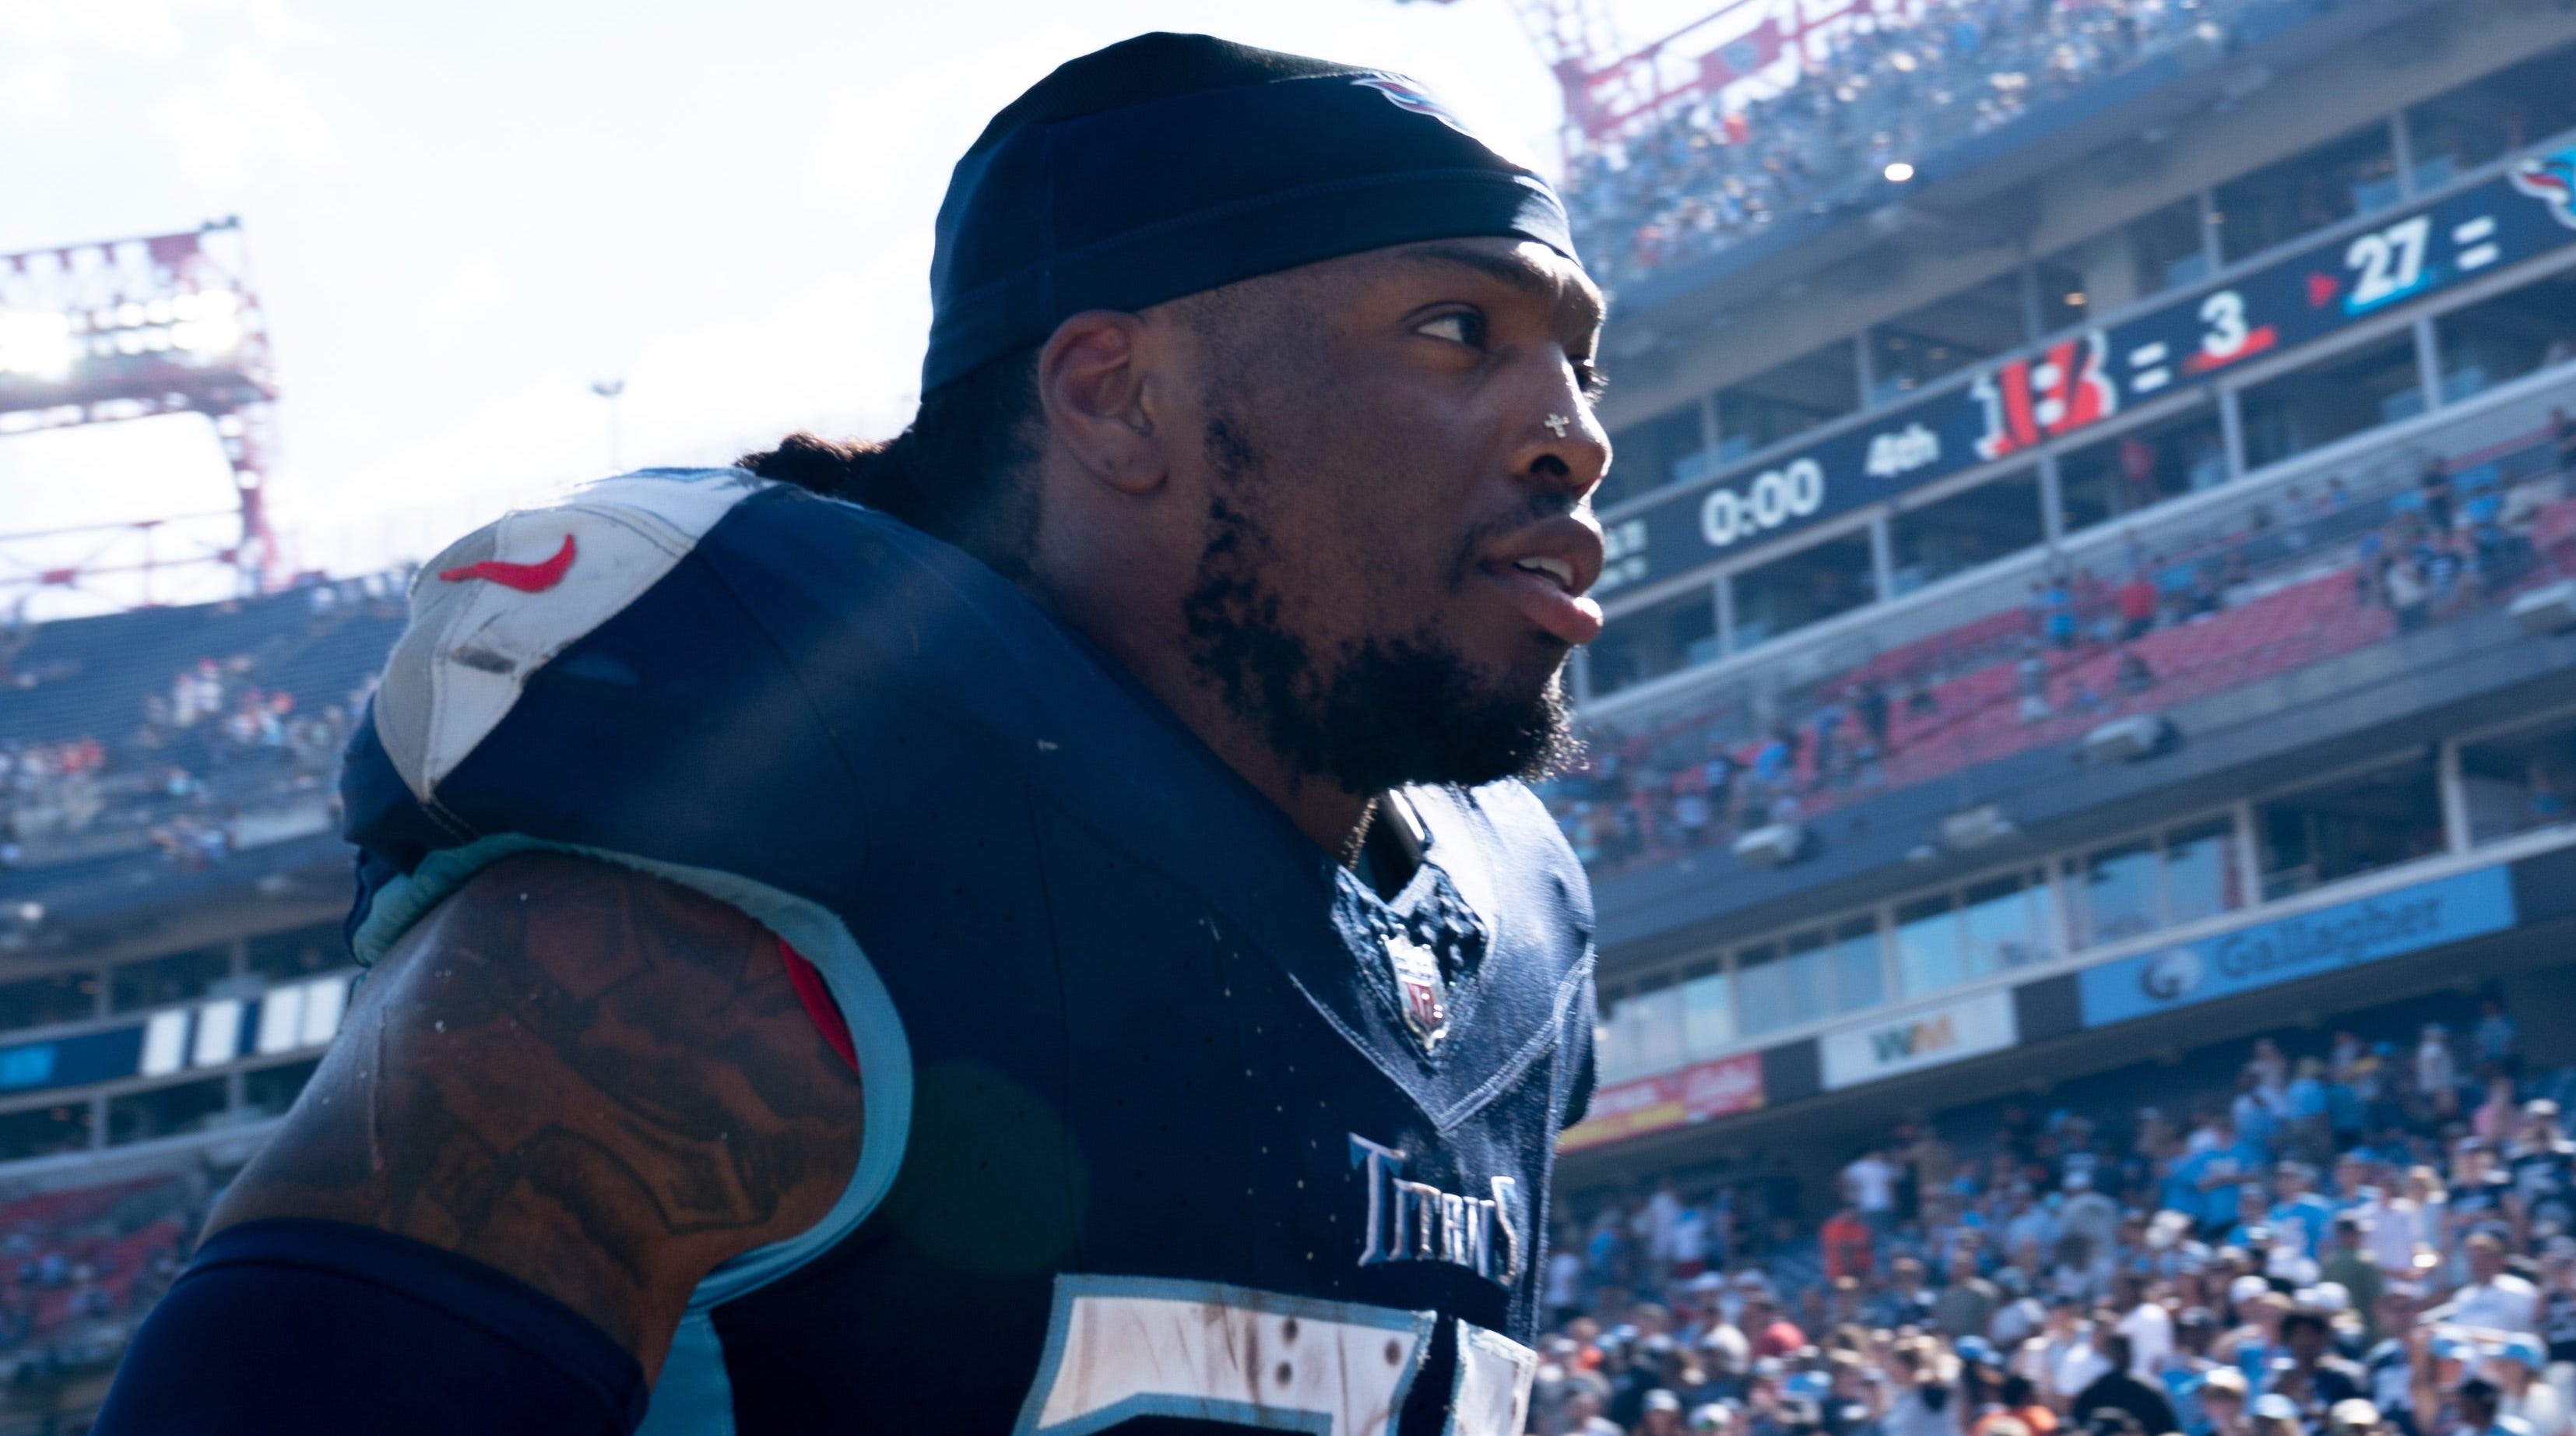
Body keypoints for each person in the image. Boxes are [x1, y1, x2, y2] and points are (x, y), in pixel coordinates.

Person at [93, 33, 1614, 1436]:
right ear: (1117, 398)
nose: (1574, 431)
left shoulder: (1514, 949)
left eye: (1579, 361)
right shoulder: (745, 901)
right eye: (1453, 328)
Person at [2075, 1331, 2184, 1435]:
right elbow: (2078, 1425)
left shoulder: (2148, 1390)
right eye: (2118, 1351)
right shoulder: (2094, 1391)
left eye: (2125, 1351)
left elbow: (2169, 1430)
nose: (2123, 1355)